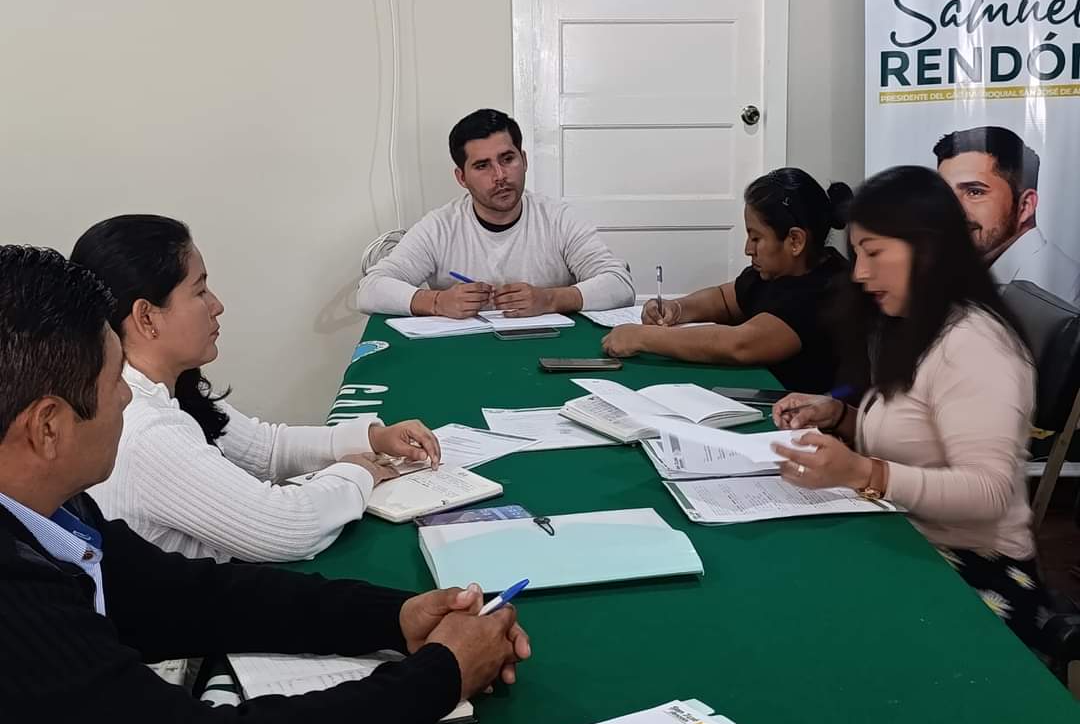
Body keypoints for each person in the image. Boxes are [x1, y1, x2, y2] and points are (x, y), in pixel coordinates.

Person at [0, 245, 531, 724]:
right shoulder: (17, 610)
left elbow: (186, 596)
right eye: (115, 379)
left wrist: (397, 616)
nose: (125, 398)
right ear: (48, 428)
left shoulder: (56, 510)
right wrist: (442, 675)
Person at [771, 165, 1052, 653]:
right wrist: (839, 416)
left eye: (874, 253)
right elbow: (919, 438)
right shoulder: (914, 324)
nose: (860, 273)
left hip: (977, 572)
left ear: (927, 248)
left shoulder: (975, 345)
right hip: (912, 539)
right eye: (857, 254)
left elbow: (988, 492)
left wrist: (864, 473)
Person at [70, 215, 441, 564]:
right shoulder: (145, 429)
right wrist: (358, 473)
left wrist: (371, 439)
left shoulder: (164, 387)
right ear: (146, 317)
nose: (217, 305)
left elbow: (266, 449)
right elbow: (288, 528)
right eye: (199, 291)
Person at [355, 108, 635, 318]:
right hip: (464, 355)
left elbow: (620, 284)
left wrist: (550, 299)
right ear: (461, 178)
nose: (500, 175)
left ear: (524, 160)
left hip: (547, 353)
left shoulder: (558, 219)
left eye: (507, 159)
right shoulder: (439, 227)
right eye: (482, 166)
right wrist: (437, 302)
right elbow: (369, 290)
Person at [601, 168, 853, 394]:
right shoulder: (776, 271)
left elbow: (740, 345)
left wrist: (645, 338)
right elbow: (723, 299)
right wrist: (677, 308)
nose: (748, 249)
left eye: (756, 238)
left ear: (795, 241)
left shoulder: (826, 291)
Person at [934, 125, 1080, 304]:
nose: (951, 209)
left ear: (1025, 206)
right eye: (945, 193)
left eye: (974, 192)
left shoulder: (1054, 294)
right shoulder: (976, 273)